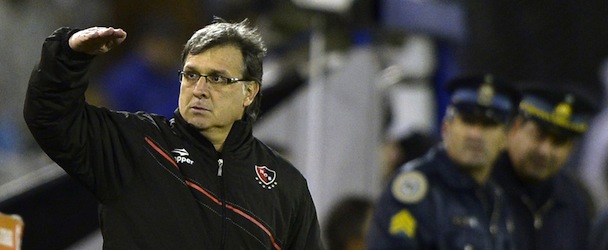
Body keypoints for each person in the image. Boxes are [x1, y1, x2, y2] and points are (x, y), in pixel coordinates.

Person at [23, 18, 324, 249]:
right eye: (191, 75)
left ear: (249, 92)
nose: (200, 90)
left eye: (217, 78)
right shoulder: (137, 144)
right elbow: (50, 118)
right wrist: (66, 58)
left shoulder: (285, 186)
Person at [366, 74, 519, 249]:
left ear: (506, 138)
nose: (475, 135)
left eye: (488, 125)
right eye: (467, 121)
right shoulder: (416, 192)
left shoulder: (496, 199)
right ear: (446, 128)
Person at [491, 81, 600, 250]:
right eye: (538, 136)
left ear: (570, 149)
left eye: (559, 142)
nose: (545, 151)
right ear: (515, 129)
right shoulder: (483, 187)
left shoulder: (575, 201)